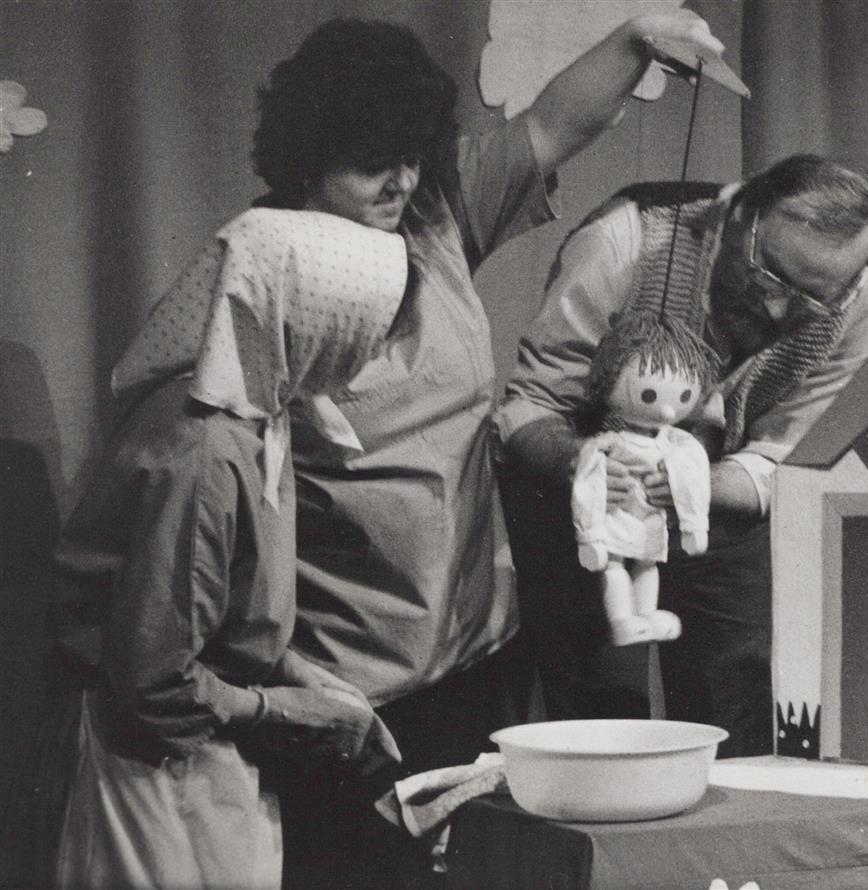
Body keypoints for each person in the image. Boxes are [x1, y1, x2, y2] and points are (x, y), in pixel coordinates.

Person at [246, 13, 730, 888]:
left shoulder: (430, 217)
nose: (398, 180)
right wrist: (284, 674)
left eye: (411, 155)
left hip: (473, 651)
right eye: (370, 162)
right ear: (307, 160)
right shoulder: (260, 266)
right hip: (346, 676)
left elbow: (551, 123)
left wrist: (639, 36)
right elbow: (228, 494)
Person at [46, 208, 410, 889]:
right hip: (150, 770)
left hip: (191, 753)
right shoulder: (205, 451)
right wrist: (283, 710)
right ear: (313, 321)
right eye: (367, 328)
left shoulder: (255, 417)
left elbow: (215, 611)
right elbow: (156, 679)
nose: (373, 350)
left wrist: (303, 679)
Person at [496, 155, 868, 757]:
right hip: (586, 494)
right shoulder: (622, 243)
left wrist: (693, 486)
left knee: (741, 712)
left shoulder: (862, 303)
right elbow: (531, 404)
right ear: (737, 212)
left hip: (721, 501)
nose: (778, 310)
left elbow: (786, 457)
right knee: (604, 722)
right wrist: (586, 464)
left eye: (811, 300)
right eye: (768, 275)